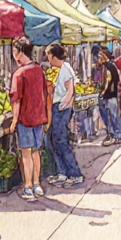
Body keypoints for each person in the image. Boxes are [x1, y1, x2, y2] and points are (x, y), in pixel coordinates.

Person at [10, 37, 51, 201]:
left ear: (20, 52)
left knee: (26, 153)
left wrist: (14, 121)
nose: (14, 55)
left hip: (25, 119)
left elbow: (16, 100)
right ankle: (37, 184)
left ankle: (27, 186)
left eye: (14, 51)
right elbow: (45, 93)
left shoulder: (19, 73)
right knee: (35, 152)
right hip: (39, 117)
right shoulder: (39, 70)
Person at [46, 44, 84, 187]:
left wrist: (64, 104)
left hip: (61, 108)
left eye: (48, 55)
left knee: (61, 141)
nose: (48, 59)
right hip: (57, 107)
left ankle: (75, 174)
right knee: (55, 141)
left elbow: (70, 91)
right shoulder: (61, 69)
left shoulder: (65, 69)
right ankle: (62, 172)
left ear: (53, 56)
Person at [98, 49, 121, 146]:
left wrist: (103, 92)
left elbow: (108, 81)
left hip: (109, 95)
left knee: (111, 116)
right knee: (113, 116)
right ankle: (115, 135)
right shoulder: (112, 66)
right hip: (112, 95)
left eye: (100, 57)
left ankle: (115, 135)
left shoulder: (106, 67)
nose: (98, 59)